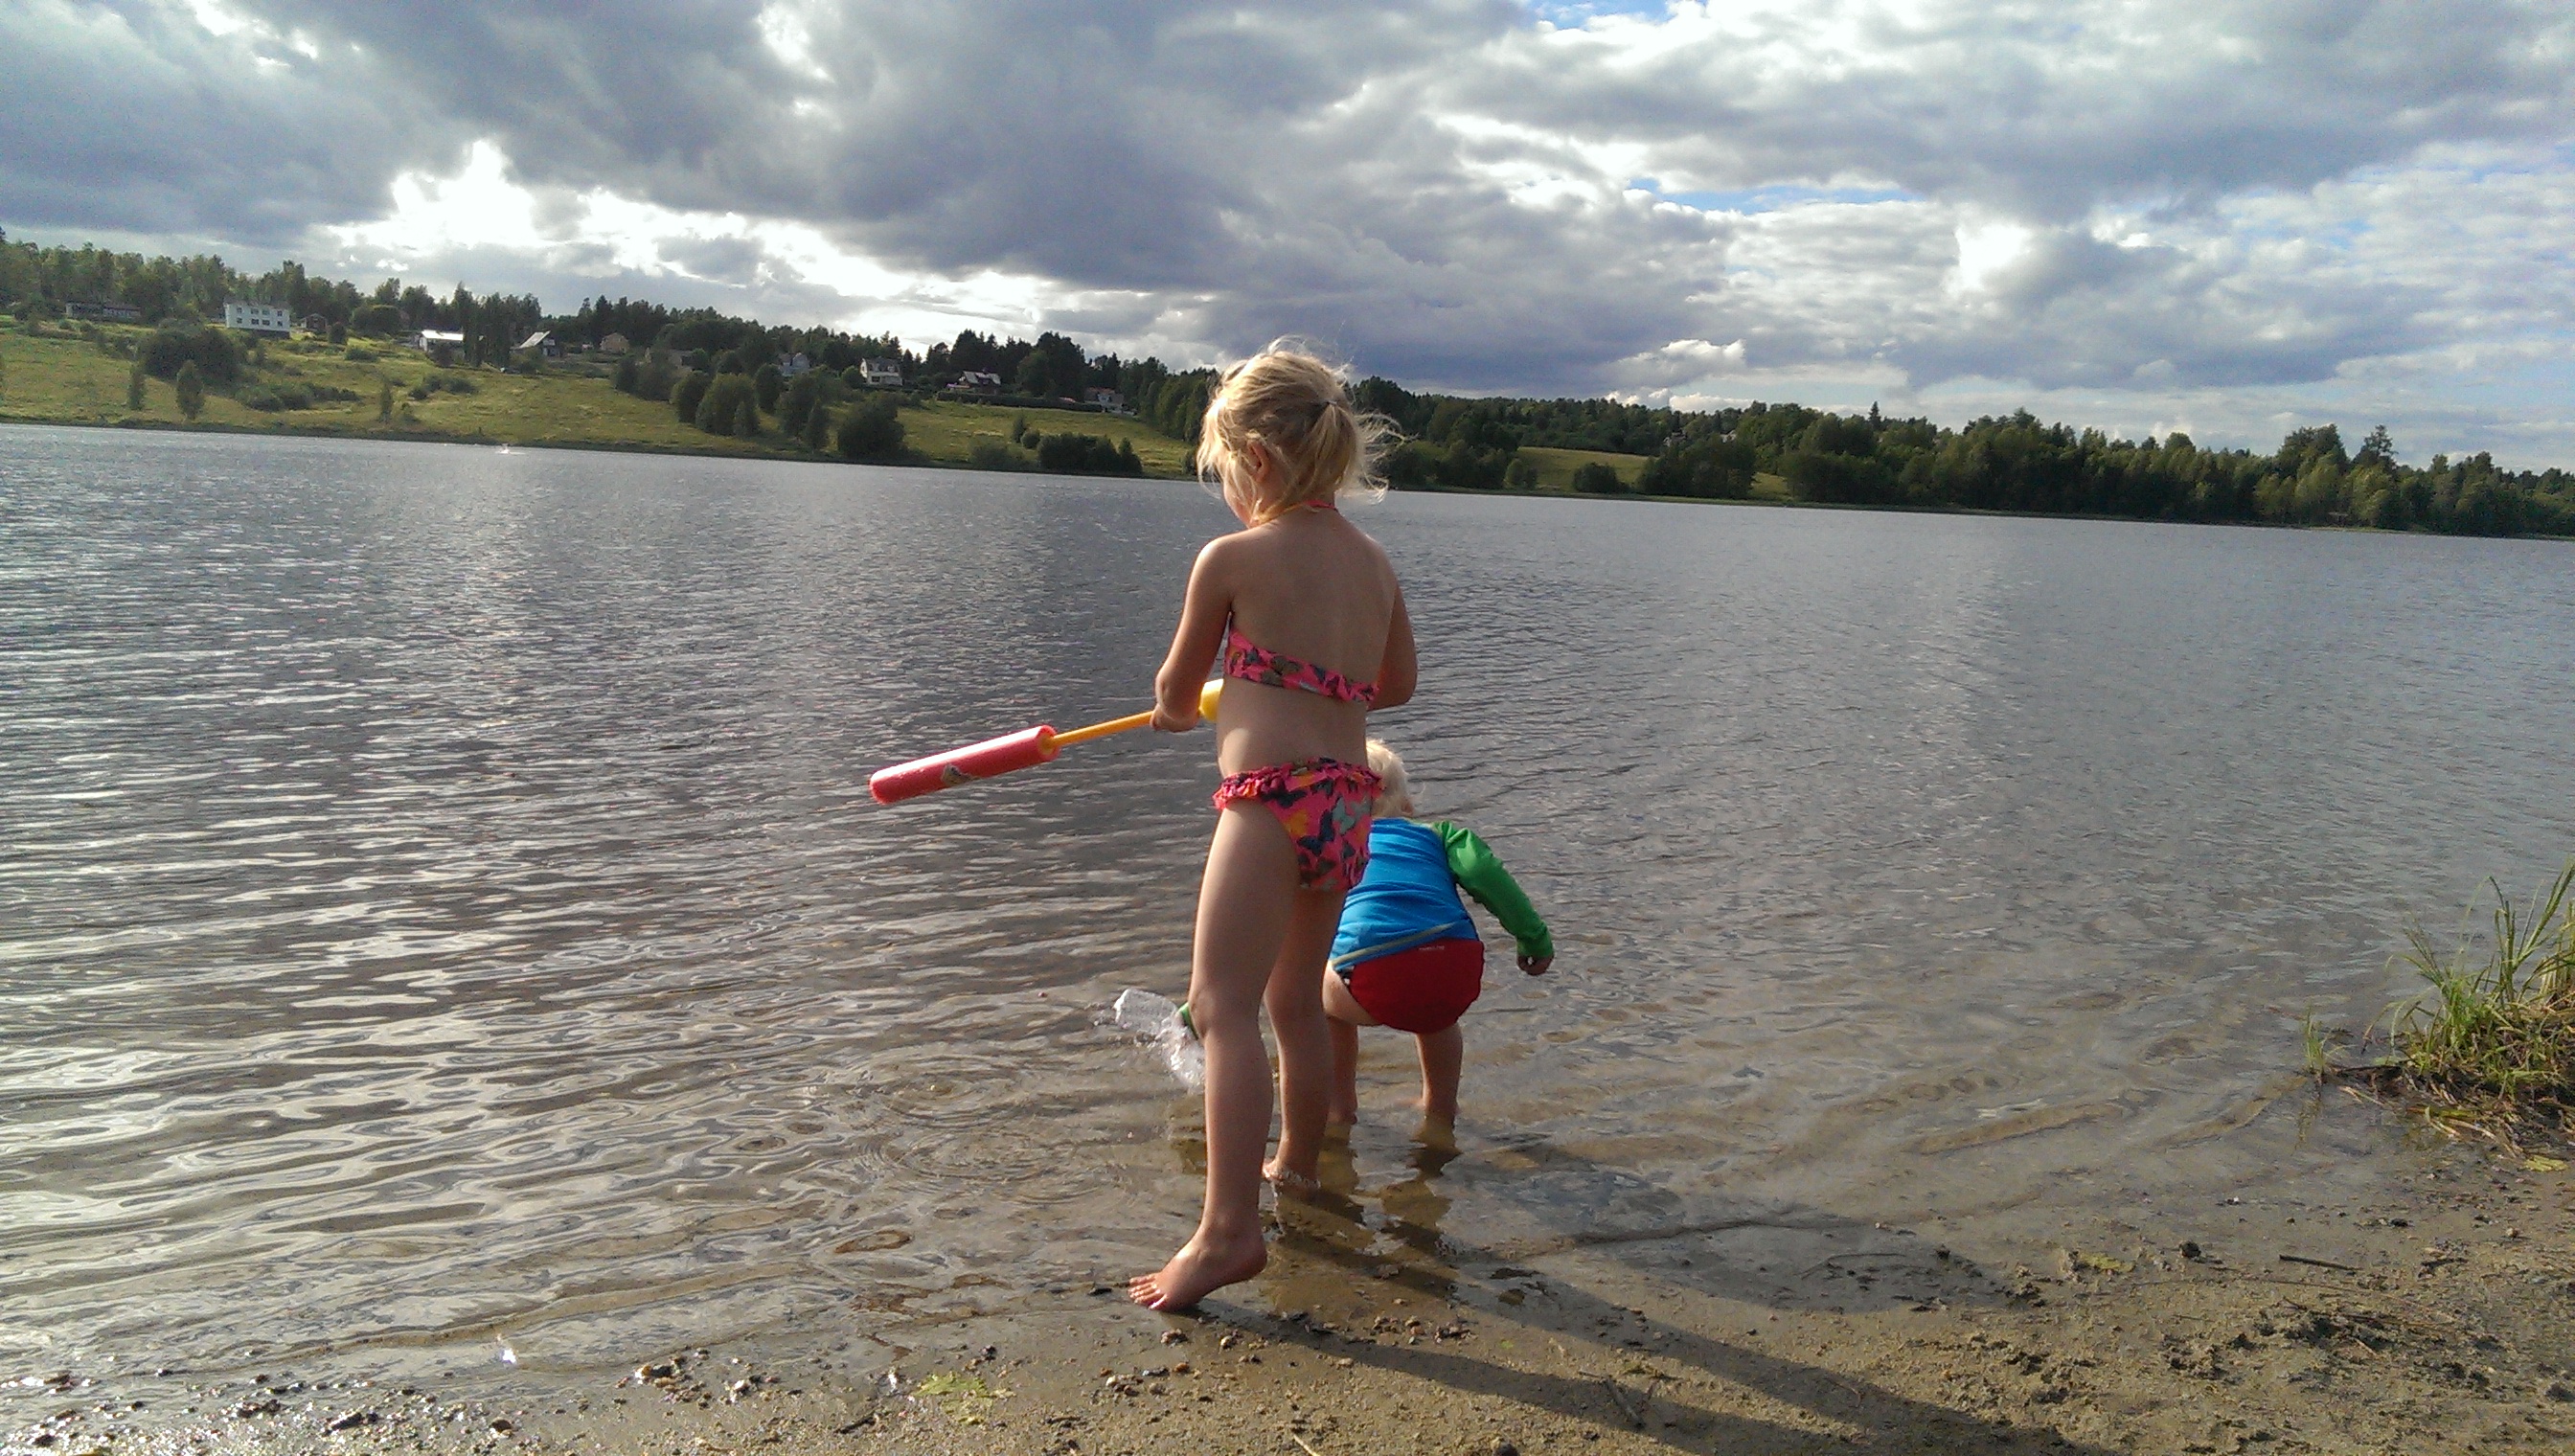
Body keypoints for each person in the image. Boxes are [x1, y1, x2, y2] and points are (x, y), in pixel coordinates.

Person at [1128, 344, 1416, 1311]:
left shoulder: (1232, 558)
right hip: (1345, 803)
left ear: (1254, 457)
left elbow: (1175, 693)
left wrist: (1188, 704)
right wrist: (1306, 675)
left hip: (1268, 802)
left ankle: (1227, 1231)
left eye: (1225, 471)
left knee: (1220, 1006)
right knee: (1296, 1000)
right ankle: (1296, 1161)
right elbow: (1395, 684)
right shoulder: (1373, 563)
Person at [1323, 739, 1552, 1137]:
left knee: (1315, 1000)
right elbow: (1486, 876)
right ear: (1407, 805)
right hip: (1454, 968)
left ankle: (1339, 1107)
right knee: (1438, 1017)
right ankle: (1440, 1108)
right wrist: (1534, 939)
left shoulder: (1333, 842)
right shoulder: (1441, 836)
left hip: (1369, 973)